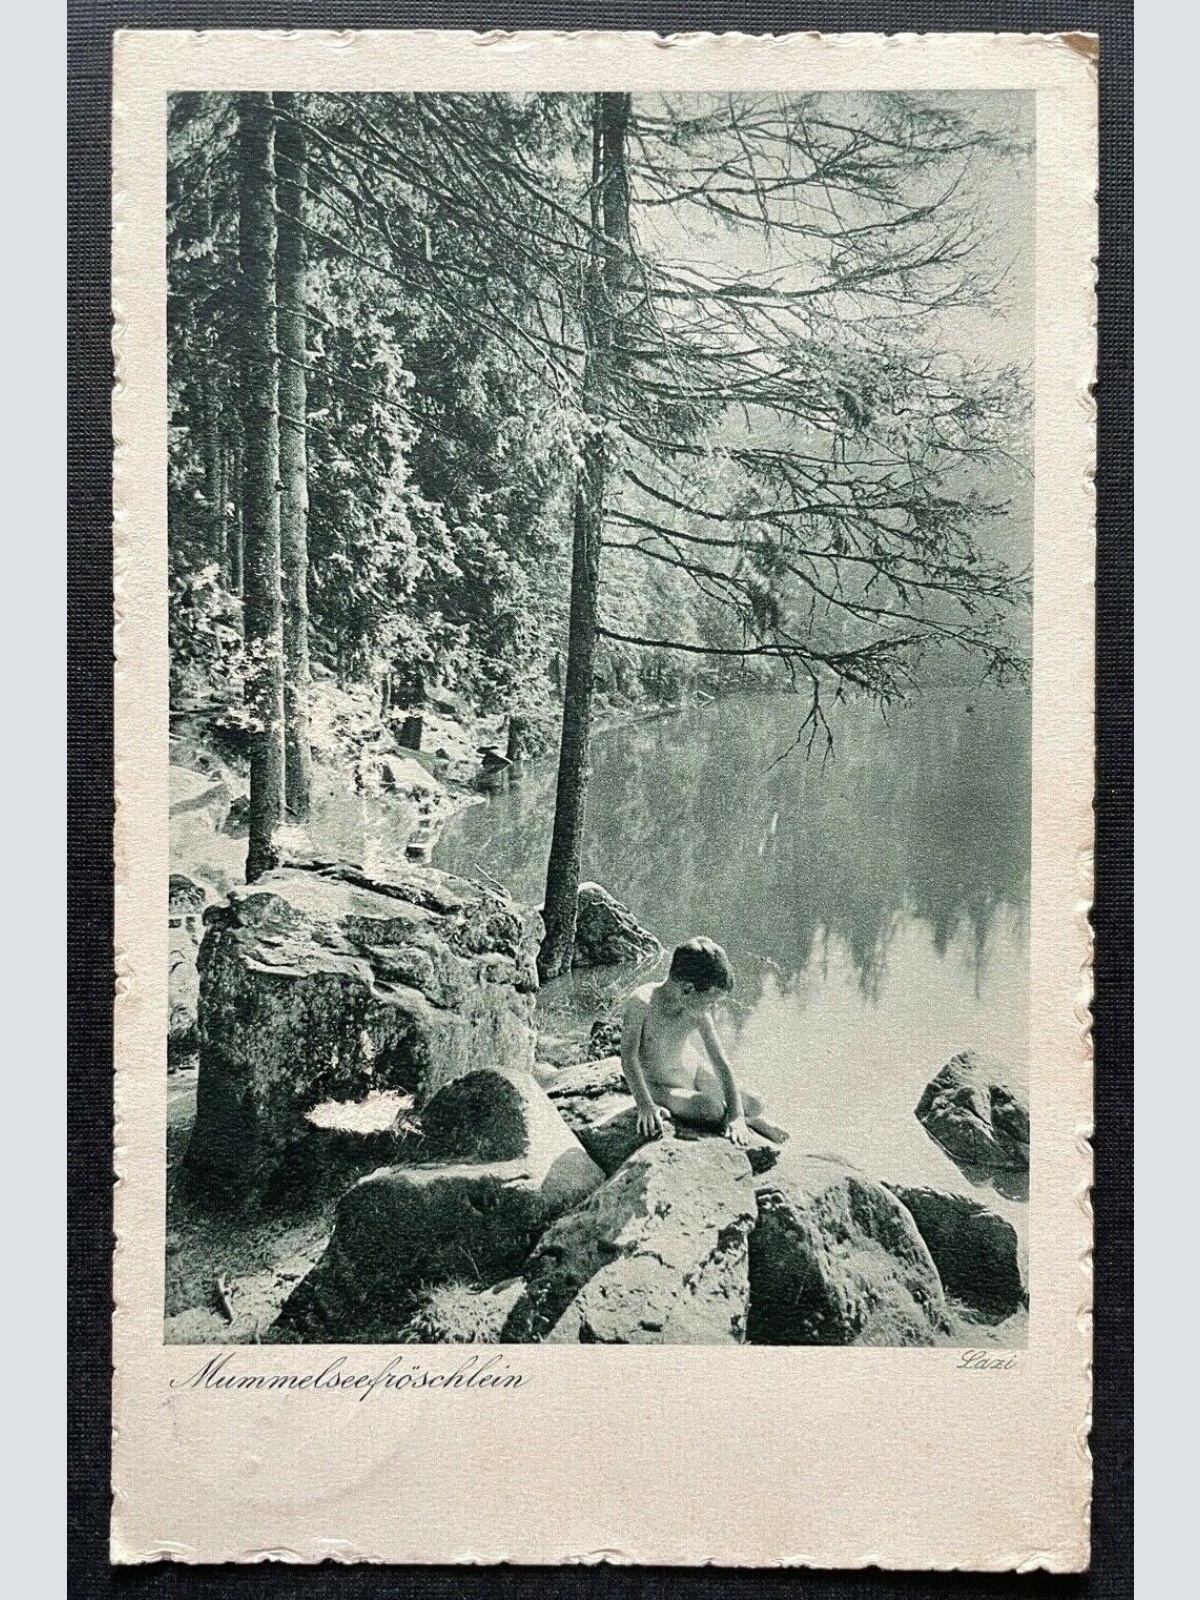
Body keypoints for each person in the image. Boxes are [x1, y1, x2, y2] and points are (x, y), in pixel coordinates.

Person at [619, 938, 789, 1147]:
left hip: (695, 1072)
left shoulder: (697, 1010)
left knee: (754, 1102)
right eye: (711, 1001)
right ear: (687, 988)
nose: (712, 1008)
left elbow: (720, 1062)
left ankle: (747, 1119)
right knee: (711, 1109)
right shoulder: (642, 1003)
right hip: (660, 1086)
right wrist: (646, 1105)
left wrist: (736, 1115)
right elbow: (628, 1057)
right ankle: (748, 1121)